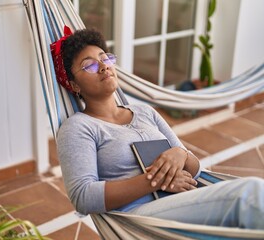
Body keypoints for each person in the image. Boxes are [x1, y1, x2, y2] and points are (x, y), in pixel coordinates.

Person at [54, 27, 264, 229]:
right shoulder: (78, 127)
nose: (103, 66)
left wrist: (180, 154)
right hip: (141, 218)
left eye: (105, 57)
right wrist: (156, 181)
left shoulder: (145, 112)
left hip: (180, 201)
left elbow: (196, 169)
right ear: (74, 85)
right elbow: (83, 197)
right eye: (89, 65)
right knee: (250, 193)